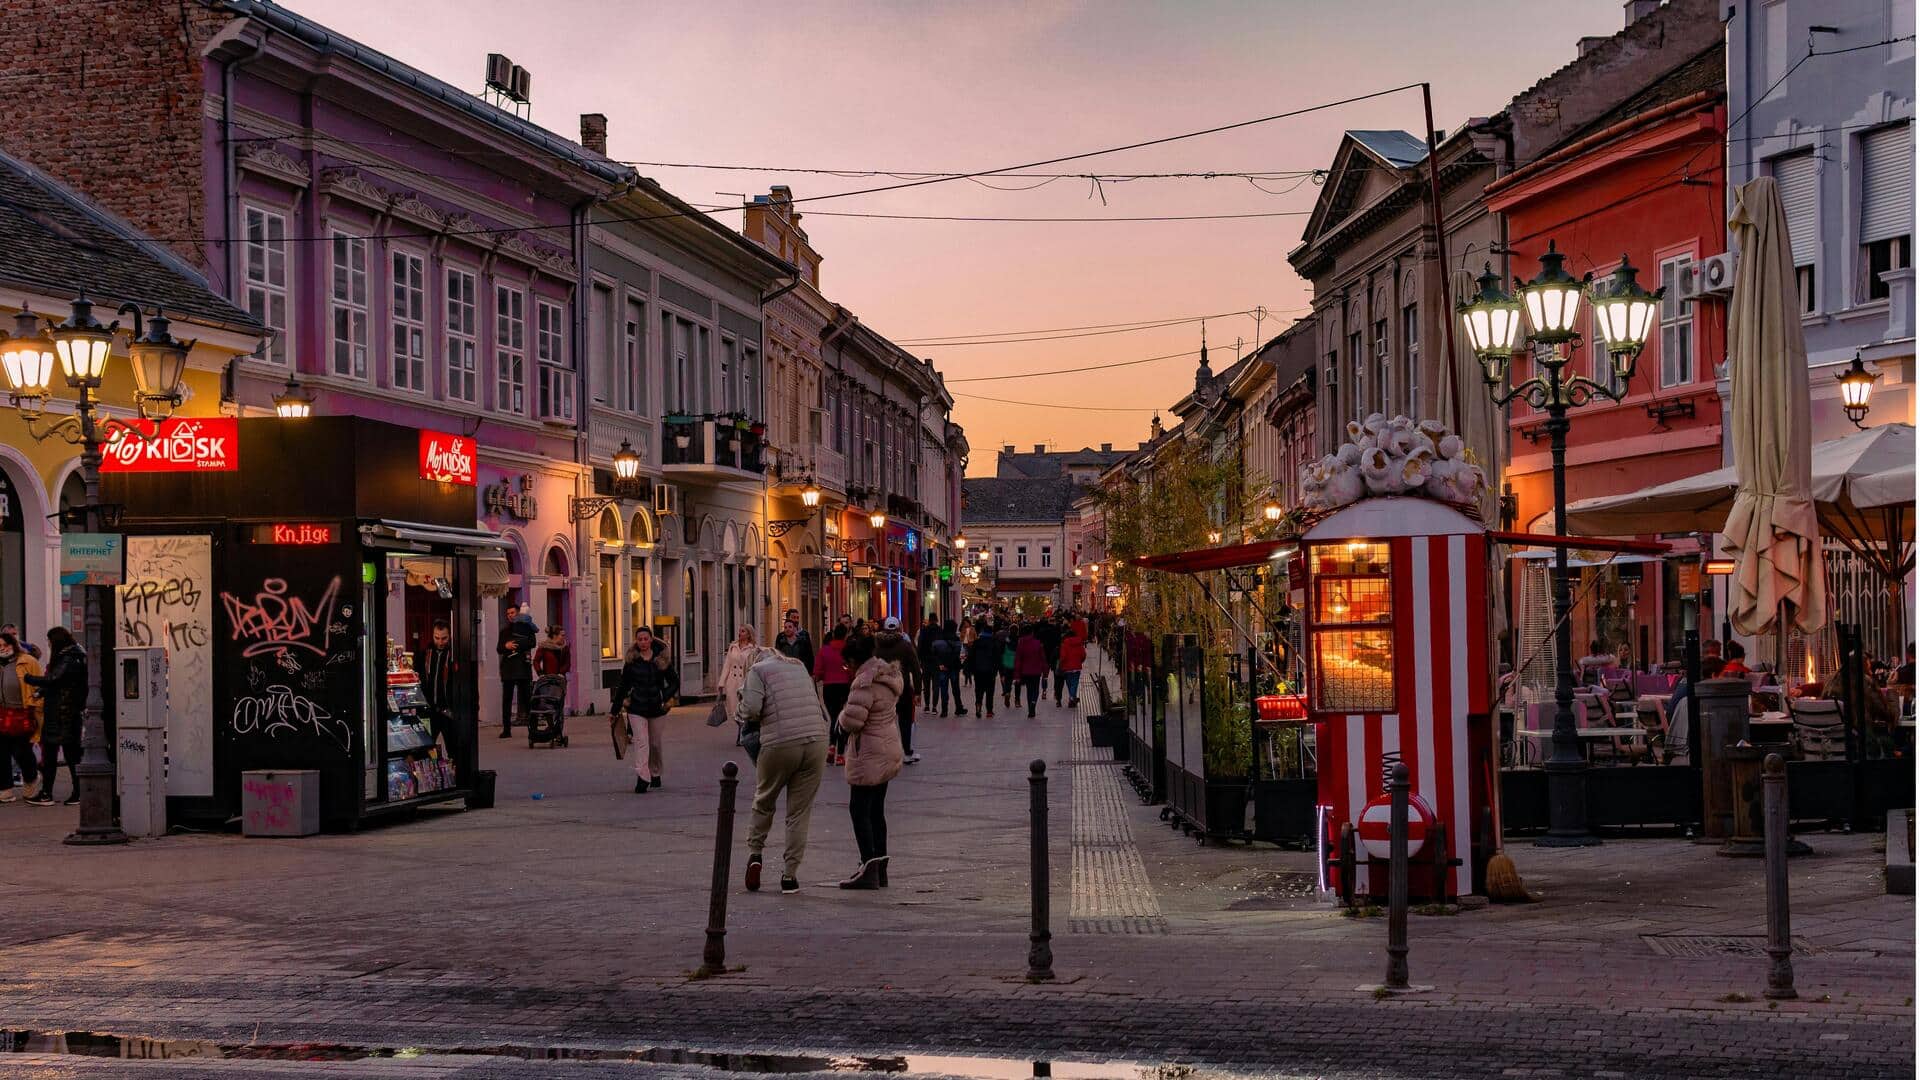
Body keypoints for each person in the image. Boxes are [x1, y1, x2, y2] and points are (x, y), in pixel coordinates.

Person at [738, 645, 830, 895]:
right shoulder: (798, 666)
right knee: (799, 813)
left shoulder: (757, 671)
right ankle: (790, 876)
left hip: (780, 743)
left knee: (764, 799)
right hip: (816, 740)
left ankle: (755, 854)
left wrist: (741, 708)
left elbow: (751, 709)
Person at [837, 633, 903, 890]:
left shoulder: (864, 684)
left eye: (848, 664)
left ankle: (869, 866)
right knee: (877, 811)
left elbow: (852, 721)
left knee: (859, 809)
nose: (848, 669)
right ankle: (881, 868)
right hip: (887, 747)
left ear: (855, 660)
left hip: (869, 753)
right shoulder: (886, 675)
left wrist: (841, 716)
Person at [610, 627, 677, 793]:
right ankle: (642, 777)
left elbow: (675, 682)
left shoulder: (661, 660)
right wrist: (614, 710)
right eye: (640, 639)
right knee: (641, 741)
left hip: (657, 707)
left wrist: (664, 695)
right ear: (636, 641)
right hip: (636, 707)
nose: (643, 642)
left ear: (651, 639)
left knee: (654, 743)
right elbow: (623, 686)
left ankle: (655, 772)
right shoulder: (632, 661)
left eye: (646, 639)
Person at [21, 626, 83, 805]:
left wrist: (30, 679)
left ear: (55, 641)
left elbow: (54, 679)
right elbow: (57, 683)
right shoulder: (75, 654)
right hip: (63, 713)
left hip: (61, 714)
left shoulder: (68, 658)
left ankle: (52, 793)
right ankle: (56, 792)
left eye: (49, 640)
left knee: (61, 755)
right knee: (65, 755)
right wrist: (41, 692)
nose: (47, 643)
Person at [414, 620, 471, 783]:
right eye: (437, 638)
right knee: (424, 747)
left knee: (454, 749)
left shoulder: (455, 655)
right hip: (429, 710)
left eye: (444, 638)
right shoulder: (425, 654)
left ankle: (458, 781)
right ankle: (427, 781)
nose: (440, 642)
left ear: (450, 636)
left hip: (449, 711)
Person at [873, 617, 923, 765]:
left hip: (882, 688)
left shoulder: (876, 646)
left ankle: (884, 752)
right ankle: (906, 752)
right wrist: (918, 691)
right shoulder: (905, 645)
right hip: (902, 688)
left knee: (881, 722)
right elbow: (916, 668)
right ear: (898, 628)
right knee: (905, 721)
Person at [0, 631, 42, 803]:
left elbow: (39, 685)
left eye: (5, 645)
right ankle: (5, 788)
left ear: (14, 645)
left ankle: (31, 779)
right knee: (1, 752)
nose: (2, 649)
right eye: (0, 646)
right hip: (2, 712)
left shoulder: (27, 661)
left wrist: (36, 704)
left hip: (22, 711)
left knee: (21, 750)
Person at [495, 603, 537, 737]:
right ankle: (506, 729)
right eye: (508, 614)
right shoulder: (505, 631)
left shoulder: (527, 628)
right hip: (508, 669)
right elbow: (499, 648)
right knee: (506, 700)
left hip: (523, 668)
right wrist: (506, 645)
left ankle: (533, 728)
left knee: (527, 698)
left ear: (518, 613)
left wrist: (517, 645)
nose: (510, 616)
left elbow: (532, 643)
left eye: (512, 613)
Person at [815, 626, 854, 765]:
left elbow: (818, 671)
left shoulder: (824, 650)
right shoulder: (848, 650)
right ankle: (841, 754)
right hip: (844, 687)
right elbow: (851, 668)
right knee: (842, 719)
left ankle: (832, 746)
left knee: (834, 718)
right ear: (845, 636)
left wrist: (819, 677)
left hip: (829, 687)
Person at [717, 626, 760, 735]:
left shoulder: (754, 648)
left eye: (742, 631)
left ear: (749, 634)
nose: (739, 633)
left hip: (745, 682)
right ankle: (742, 727)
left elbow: (755, 666)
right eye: (739, 631)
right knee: (733, 709)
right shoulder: (733, 647)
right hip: (732, 682)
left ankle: (742, 732)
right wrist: (722, 683)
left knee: (744, 709)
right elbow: (727, 665)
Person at [966, 621, 1000, 718]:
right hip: (990, 671)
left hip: (978, 670)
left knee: (979, 689)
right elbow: (997, 657)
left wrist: (971, 669)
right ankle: (989, 710)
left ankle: (978, 706)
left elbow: (971, 656)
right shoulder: (994, 642)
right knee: (990, 691)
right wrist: (997, 669)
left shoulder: (977, 642)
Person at [1014, 626, 1049, 719]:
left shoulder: (1021, 644)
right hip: (1036, 670)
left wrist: (1017, 675)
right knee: (1035, 689)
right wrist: (1045, 672)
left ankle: (1030, 709)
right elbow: (1043, 659)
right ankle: (1033, 702)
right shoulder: (1038, 643)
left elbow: (1018, 660)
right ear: (1032, 633)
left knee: (1029, 690)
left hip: (1025, 671)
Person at [1056, 624, 1087, 709]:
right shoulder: (1079, 643)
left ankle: (1072, 698)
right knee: (1075, 683)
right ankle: (1072, 698)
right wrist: (1080, 661)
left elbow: (1063, 657)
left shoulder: (1064, 644)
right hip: (1077, 667)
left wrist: (1061, 664)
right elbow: (1083, 655)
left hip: (1067, 668)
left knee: (1070, 684)